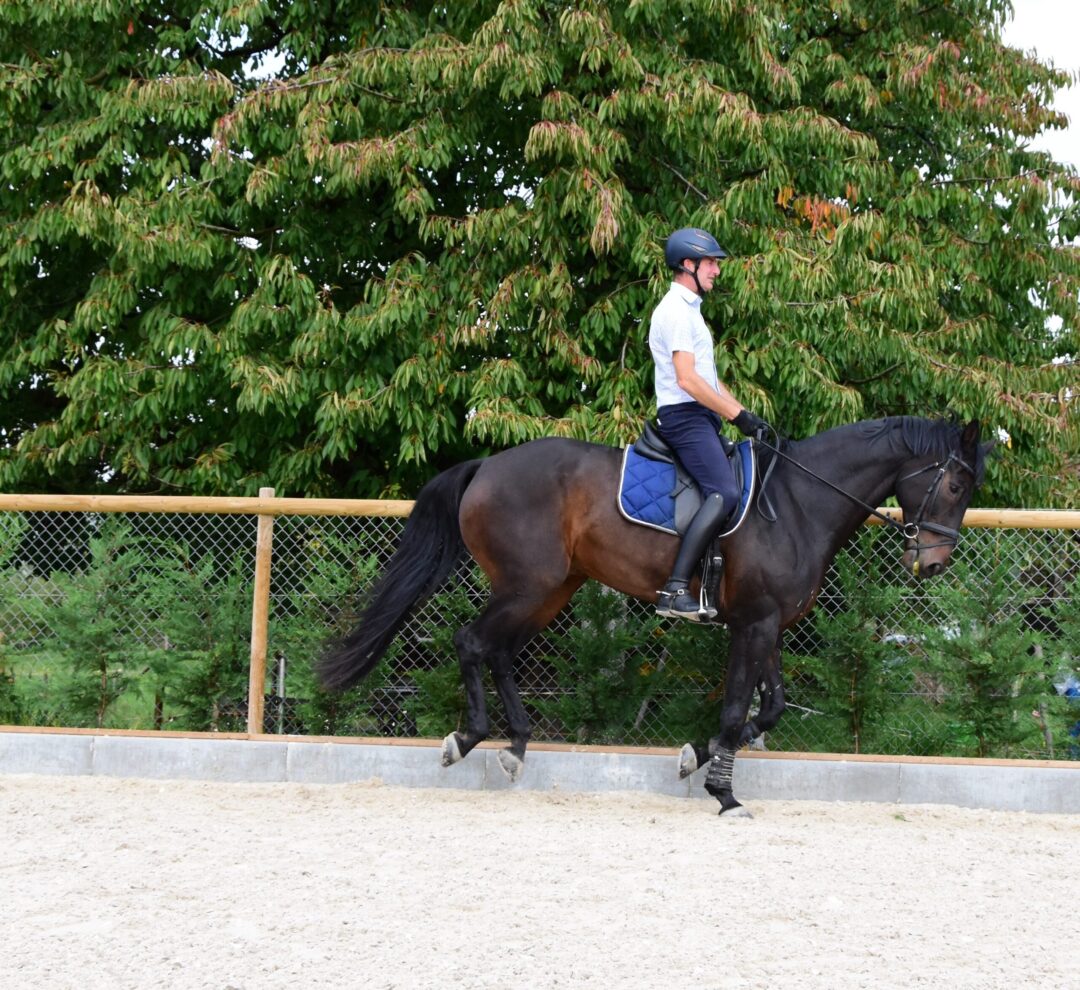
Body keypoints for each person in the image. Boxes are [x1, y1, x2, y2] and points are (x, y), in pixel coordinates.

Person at [649, 227, 771, 621]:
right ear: (689, 264)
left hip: (699, 416)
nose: (717, 270)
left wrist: (747, 417)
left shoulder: (690, 312)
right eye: (712, 263)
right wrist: (736, 416)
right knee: (725, 492)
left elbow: (711, 382)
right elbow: (688, 380)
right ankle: (675, 588)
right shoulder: (674, 311)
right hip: (684, 419)